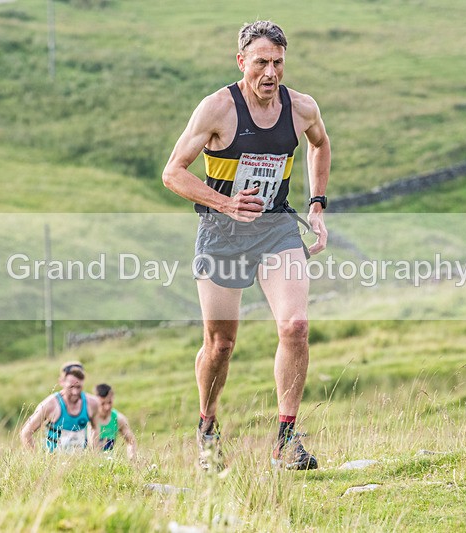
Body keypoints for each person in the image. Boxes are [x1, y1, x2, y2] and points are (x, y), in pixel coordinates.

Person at [162, 20, 331, 471]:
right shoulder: (217, 109)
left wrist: (316, 204)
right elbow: (173, 172)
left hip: (276, 228)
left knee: (295, 326)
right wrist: (226, 203)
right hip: (222, 233)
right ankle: (207, 425)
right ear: (242, 62)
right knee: (220, 344)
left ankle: (287, 441)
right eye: (260, 62)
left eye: (277, 62)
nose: (270, 73)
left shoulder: (301, 107)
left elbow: (319, 145)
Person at [20, 361, 100, 452]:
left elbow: (96, 429)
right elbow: (25, 433)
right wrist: (36, 458)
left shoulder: (92, 403)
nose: (75, 392)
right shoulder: (50, 404)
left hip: (80, 462)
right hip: (53, 462)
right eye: (71, 387)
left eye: (78, 387)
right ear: (61, 382)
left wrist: (94, 452)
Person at [90, 383, 137, 461]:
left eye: (109, 402)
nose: (107, 407)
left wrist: (131, 456)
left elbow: (131, 441)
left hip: (109, 464)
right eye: (102, 403)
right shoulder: (88, 418)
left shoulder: (119, 419)